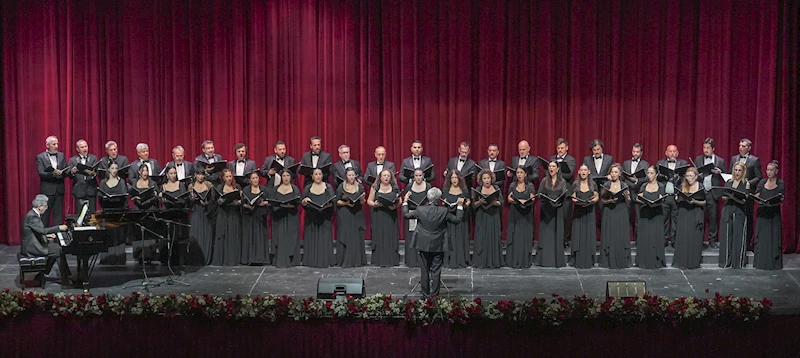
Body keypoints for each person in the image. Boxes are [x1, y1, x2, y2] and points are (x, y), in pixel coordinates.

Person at [402, 188, 465, 298]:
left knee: (424, 270)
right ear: (438, 199)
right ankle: (434, 295)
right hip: (438, 244)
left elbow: (406, 215)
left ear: (428, 197)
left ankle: (425, 295)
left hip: (423, 244)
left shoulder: (420, 210)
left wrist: (405, 201)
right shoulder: (444, 211)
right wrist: (459, 205)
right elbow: (457, 220)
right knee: (436, 271)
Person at [20, 194, 72, 286]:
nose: (47, 208)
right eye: (46, 206)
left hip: (33, 243)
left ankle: (43, 274)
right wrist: (59, 228)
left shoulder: (33, 214)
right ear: (40, 207)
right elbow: (43, 231)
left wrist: (47, 236)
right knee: (59, 251)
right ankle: (64, 279)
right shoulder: (33, 217)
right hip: (31, 248)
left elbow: (35, 232)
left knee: (57, 249)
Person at [730, 138, 762, 249]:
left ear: (749, 148)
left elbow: (759, 177)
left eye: (743, 146)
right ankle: (734, 242)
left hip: (748, 193)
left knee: (747, 217)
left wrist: (748, 182)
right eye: (740, 145)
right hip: (734, 193)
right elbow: (731, 174)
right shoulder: (734, 158)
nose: (741, 148)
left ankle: (747, 244)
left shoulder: (754, 160)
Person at [672, 167, 706, 269]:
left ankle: (693, 262)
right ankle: (681, 261)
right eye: (687, 176)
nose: (689, 178)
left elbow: (705, 202)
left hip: (696, 212)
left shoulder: (700, 186)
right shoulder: (683, 185)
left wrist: (695, 201)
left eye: (691, 176)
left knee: (694, 237)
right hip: (684, 212)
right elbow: (678, 200)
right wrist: (677, 198)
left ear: (696, 177)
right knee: (683, 237)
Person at [301, 168, 336, 267]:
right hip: (312, 217)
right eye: (315, 174)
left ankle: (325, 260)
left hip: (324, 217)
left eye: (320, 174)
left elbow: (333, 201)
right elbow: (302, 202)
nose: (318, 176)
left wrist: (329, 205)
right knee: (312, 238)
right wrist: (304, 201)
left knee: (324, 238)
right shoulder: (308, 188)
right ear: (312, 176)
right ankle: (311, 260)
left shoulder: (328, 187)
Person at [536, 161, 568, 267]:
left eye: (553, 166)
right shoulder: (544, 180)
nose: (551, 168)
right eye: (550, 166)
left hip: (558, 209)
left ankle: (557, 260)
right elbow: (539, 194)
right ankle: (544, 260)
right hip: (546, 210)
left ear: (558, 169)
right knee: (546, 235)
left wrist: (559, 200)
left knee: (557, 233)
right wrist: (545, 198)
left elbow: (564, 193)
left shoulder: (562, 181)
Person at [719, 162, 751, 268]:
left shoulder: (746, 183)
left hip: (740, 211)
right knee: (727, 236)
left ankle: (738, 262)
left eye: (739, 170)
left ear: (743, 172)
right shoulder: (728, 182)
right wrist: (729, 196)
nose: (737, 172)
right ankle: (726, 262)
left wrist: (732, 196)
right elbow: (723, 197)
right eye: (736, 170)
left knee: (738, 236)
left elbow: (744, 199)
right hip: (728, 209)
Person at [599, 164, 631, 269]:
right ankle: (608, 260)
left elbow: (629, 202)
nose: (613, 174)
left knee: (620, 235)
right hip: (609, 211)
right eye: (612, 172)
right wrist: (610, 201)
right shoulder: (606, 185)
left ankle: (621, 259)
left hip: (621, 211)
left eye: (616, 172)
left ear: (620, 174)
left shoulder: (624, 185)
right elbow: (602, 200)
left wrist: (627, 197)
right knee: (610, 235)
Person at [753, 161, 784, 270]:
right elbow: (757, 194)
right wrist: (758, 199)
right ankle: (760, 262)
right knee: (762, 237)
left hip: (774, 213)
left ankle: (774, 263)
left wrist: (773, 202)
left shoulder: (780, 183)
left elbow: (781, 198)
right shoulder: (762, 181)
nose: (769, 172)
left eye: (771, 170)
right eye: (767, 170)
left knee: (774, 237)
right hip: (762, 212)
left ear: (776, 171)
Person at [366, 169, 401, 267]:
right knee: (379, 236)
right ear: (380, 177)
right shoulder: (375, 187)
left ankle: (391, 260)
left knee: (390, 236)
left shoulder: (394, 187)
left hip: (391, 215)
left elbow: (399, 201)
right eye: (384, 175)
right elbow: (369, 201)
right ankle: (379, 260)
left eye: (388, 176)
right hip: (379, 214)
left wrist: (395, 206)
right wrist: (375, 204)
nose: (386, 177)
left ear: (391, 178)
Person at [695, 138, 725, 248]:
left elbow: (725, 177)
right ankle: (699, 239)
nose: (705, 150)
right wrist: (697, 175)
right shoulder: (698, 159)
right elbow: (694, 174)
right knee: (700, 217)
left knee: (713, 218)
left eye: (708, 148)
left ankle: (712, 240)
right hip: (701, 192)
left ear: (713, 149)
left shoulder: (720, 161)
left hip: (713, 192)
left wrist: (719, 173)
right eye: (704, 148)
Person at [657, 145, 689, 247]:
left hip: (676, 195)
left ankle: (674, 240)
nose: (672, 153)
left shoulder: (683, 163)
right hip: (665, 195)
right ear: (666, 153)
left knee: (676, 219)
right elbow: (656, 178)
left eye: (674, 151)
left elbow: (686, 179)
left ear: (677, 153)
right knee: (664, 218)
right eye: (670, 151)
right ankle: (664, 239)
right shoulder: (660, 163)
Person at [97, 162, 128, 265]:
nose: (114, 170)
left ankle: (120, 258)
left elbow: (124, 197)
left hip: (118, 212)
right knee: (109, 235)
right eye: (112, 168)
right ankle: (108, 258)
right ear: (108, 169)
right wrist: (106, 199)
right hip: (107, 212)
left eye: (116, 168)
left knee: (119, 235)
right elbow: (100, 197)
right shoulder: (103, 182)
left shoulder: (122, 181)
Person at [634, 166, 666, 269]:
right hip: (645, 213)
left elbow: (662, 198)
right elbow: (638, 198)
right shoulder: (644, 185)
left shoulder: (661, 186)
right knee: (645, 237)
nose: (649, 175)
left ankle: (656, 260)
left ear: (656, 174)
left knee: (655, 237)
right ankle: (643, 260)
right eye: (648, 173)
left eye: (652, 173)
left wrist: (658, 201)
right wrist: (643, 200)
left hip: (656, 214)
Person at [335, 168, 367, 267]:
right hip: (345, 212)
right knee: (346, 235)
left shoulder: (360, 187)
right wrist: (347, 203)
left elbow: (362, 202)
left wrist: (362, 199)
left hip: (357, 212)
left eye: (353, 175)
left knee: (356, 235)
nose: (351, 177)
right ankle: (345, 259)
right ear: (346, 176)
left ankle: (357, 260)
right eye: (349, 175)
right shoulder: (341, 187)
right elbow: (337, 201)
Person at [270, 170, 302, 267]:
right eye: (284, 176)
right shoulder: (276, 189)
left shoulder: (294, 188)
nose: (286, 178)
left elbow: (298, 201)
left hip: (291, 216)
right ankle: (280, 260)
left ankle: (292, 261)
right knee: (279, 238)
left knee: (291, 237)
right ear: (281, 177)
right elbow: (272, 202)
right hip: (279, 217)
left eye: (288, 175)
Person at [472, 169, 503, 268]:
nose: (486, 180)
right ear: (481, 180)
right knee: (482, 238)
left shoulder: (496, 188)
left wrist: (496, 203)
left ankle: (494, 262)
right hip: (481, 216)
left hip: (494, 216)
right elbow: (473, 205)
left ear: (491, 178)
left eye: (488, 178)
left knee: (494, 237)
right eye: (484, 178)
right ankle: (481, 261)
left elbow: (501, 202)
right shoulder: (478, 189)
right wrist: (479, 202)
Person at [506, 167, 536, 268]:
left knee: (524, 236)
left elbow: (533, 197)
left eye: (521, 173)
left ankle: (524, 260)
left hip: (526, 213)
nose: (519, 175)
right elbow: (509, 198)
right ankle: (513, 260)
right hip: (515, 213)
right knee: (515, 236)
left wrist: (525, 201)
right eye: (517, 172)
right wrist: (518, 201)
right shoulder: (512, 185)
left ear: (525, 174)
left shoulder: (530, 185)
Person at [570, 165, 599, 268]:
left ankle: (589, 259)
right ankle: (577, 258)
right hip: (578, 212)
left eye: (585, 170)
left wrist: (591, 201)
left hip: (589, 211)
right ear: (578, 172)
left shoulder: (593, 184)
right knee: (578, 234)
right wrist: (577, 201)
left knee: (589, 234)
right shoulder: (575, 184)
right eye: (581, 170)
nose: (583, 172)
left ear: (589, 172)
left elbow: (596, 197)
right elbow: (572, 197)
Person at [36, 136, 67, 226]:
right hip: (47, 190)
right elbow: (41, 173)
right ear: (47, 145)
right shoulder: (40, 157)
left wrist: (67, 172)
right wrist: (54, 174)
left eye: (57, 144)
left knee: (58, 215)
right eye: (54, 144)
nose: (56, 146)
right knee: (45, 215)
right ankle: (45, 237)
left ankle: (58, 238)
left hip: (59, 189)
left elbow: (65, 169)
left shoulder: (62, 155)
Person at [443, 169, 471, 268]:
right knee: (450, 238)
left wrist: (465, 204)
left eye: (456, 177)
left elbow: (468, 201)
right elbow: (443, 202)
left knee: (460, 238)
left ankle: (461, 259)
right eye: (452, 177)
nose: (454, 180)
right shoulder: (446, 189)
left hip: (461, 218)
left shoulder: (464, 189)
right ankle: (450, 259)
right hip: (450, 218)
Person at [212, 169, 242, 266]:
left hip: (234, 213)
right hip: (223, 213)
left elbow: (241, 200)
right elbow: (217, 200)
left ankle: (233, 259)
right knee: (223, 235)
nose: (229, 178)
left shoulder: (237, 186)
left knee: (233, 235)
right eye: (227, 177)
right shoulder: (220, 187)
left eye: (230, 176)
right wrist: (220, 201)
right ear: (223, 178)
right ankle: (223, 259)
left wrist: (238, 202)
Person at [403, 169, 431, 268]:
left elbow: (431, 200)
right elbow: (406, 198)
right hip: (412, 213)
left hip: (424, 214)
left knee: (423, 236)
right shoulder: (409, 186)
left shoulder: (428, 186)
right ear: (413, 177)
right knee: (412, 236)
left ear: (423, 176)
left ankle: (423, 261)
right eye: (416, 176)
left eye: (420, 175)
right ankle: (412, 260)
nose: (418, 178)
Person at [551, 138, 577, 244]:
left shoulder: (571, 160)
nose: (560, 150)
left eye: (562, 148)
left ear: (567, 148)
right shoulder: (552, 158)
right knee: (553, 216)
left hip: (566, 191)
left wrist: (556, 172)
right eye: (558, 148)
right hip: (553, 191)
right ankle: (554, 238)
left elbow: (569, 175)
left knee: (566, 216)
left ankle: (565, 240)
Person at [241, 172, 270, 265]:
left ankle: (261, 258)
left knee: (260, 236)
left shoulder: (264, 189)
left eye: (256, 178)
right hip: (249, 215)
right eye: (253, 178)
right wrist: (248, 206)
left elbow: (269, 201)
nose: (255, 180)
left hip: (260, 215)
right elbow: (242, 202)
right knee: (250, 236)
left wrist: (265, 203)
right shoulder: (246, 189)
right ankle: (250, 258)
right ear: (250, 180)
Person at [622, 143, 651, 236]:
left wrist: (636, 180)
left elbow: (647, 178)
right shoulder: (626, 163)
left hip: (638, 192)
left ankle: (639, 238)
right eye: (634, 151)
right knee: (626, 216)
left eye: (637, 152)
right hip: (627, 192)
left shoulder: (645, 164)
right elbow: (623, 176)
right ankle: (626, 237)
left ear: (641, 153)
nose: (635, 154)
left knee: (639, 217)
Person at [187, 170, 215, 266]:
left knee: (206, 234)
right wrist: (192, 199)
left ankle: (207, 258)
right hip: (196, 212)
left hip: (206, 213)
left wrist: (206, 203)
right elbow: (188, 202)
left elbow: (213, 200)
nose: (200, 176)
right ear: (195, 175)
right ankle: (196, 259)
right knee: (196, 234)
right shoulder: (191, 186)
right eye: (199, 174)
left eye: (202, 174)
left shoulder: (209, 184)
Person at [67, 139, 100, 213]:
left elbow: (98, 172)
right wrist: (72, 171)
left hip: (91, 189)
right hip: (79, 190)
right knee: (80, 214)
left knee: (92, 214)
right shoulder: (73, 160)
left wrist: (93, 173)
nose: (85, 149)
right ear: (77, 149)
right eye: (82, 147)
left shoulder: (93, 158)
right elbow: (69, 175)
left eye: (86, 146)